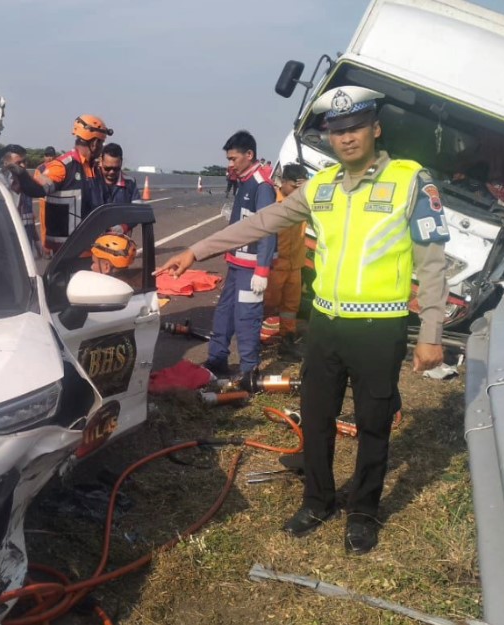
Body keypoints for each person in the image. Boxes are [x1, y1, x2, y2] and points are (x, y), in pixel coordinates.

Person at [155, 86, 449, 554]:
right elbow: (261, 222)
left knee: (374, 423)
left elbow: (433, 263)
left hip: (380, 328)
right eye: (337, 131)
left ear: (375, 129)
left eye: (355, 128)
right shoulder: (323, 185)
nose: (347, 138)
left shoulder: (410, 181)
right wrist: (196, 250)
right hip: (326, 327)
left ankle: (364, 512)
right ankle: (318, 501)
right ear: (329, 138)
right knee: (316, 418)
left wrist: (431, 333)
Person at [203, 130, 276, 387]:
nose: (230, 164)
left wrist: (262, 270)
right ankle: (217, 359)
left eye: (233, 159)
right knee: (224, 313)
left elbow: (268, 228)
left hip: (251, 268)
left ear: (249, 155)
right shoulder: (244, 181)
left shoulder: (261, 185)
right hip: (236, 265)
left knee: (247, 317)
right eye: (228, 159)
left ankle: (249, 370)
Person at [7, 115, 113, 252]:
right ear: (94, 143)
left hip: (91, 249)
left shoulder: (95, 169)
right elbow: (37, 189)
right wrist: (20, 173)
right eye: (101, 143)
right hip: (67, 253)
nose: (101, 148)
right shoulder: (62, 166)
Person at [261, 163, 308, 348]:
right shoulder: (270, 201)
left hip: (294, 265)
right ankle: (253, 339)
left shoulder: (304, 203)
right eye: (295, 187)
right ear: (285, 182)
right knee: (267, 303)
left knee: (291, 306)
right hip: (275, 266)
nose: (298, 191)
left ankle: (287, 341)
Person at [0, 144, 43, 258]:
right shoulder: (0, 186)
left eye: (25, 162)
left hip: (26, 244)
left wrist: (36, 240)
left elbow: (29, 218)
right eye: (18, 163)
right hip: (8, 247)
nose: (23, 166)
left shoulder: (26, 185)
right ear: (6, 164)